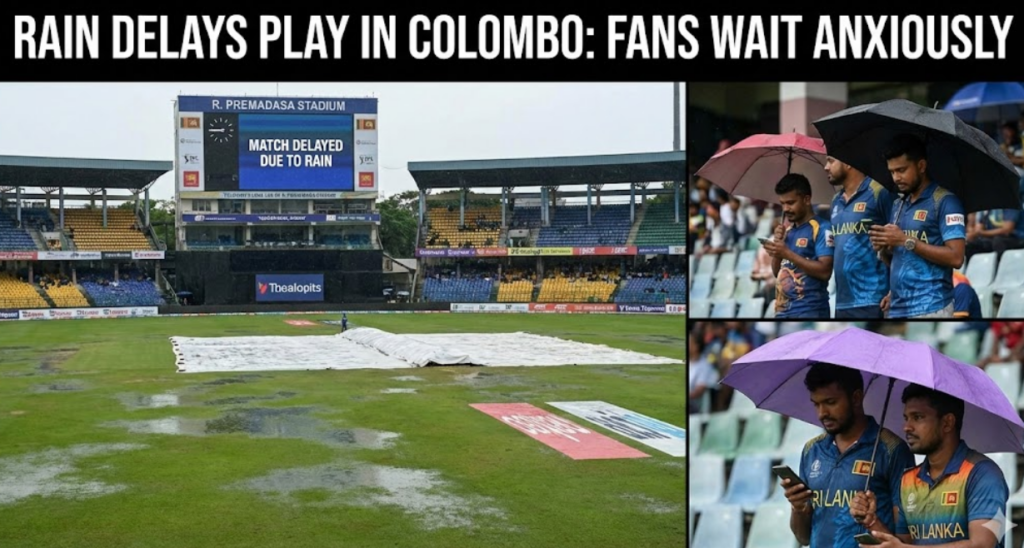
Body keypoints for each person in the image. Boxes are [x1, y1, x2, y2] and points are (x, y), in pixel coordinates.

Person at [848, 385, 1010, 547]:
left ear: (947, 423)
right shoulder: (908, 480)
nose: (907, 427)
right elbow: (903, 544)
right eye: (906, 418)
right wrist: (872, 521)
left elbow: (982, 544)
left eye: (918, 417)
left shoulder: (983, 474)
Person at [781, 363, 915, 548]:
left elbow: (904, 542)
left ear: (856, 398)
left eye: (830, 402)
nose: (822, 413)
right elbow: (803, 538)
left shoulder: (892, 450)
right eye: (816, 404)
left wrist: (872, 520)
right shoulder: (812, 450)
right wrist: (798, 508)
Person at [869, 133, 966, 318]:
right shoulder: (898, 204)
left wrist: (905, 240)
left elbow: (956, 258)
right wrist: (884, 249)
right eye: (892, 172)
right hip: (897, 307)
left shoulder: (945, 201)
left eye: (902, 170)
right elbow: (901, 258)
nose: (896, 177)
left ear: (921, 166)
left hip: (931, 306)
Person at [826, 155, 896, 319]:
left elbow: (897, 244)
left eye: (830, 161)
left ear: (848, 163)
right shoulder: (835, 201)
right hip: (842, 302)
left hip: (874, 299)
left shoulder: (880, 192)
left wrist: (895, 290)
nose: (826, 167)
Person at [763, 173, 835, 318]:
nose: (785, 209)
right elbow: (778, 273)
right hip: (782, 312)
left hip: (809, 310)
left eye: (790, 202)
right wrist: (778, 246)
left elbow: (825, 271)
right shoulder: (787, 232)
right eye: (782, 203)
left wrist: (786, 253)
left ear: (806, 199)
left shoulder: (822, 228)